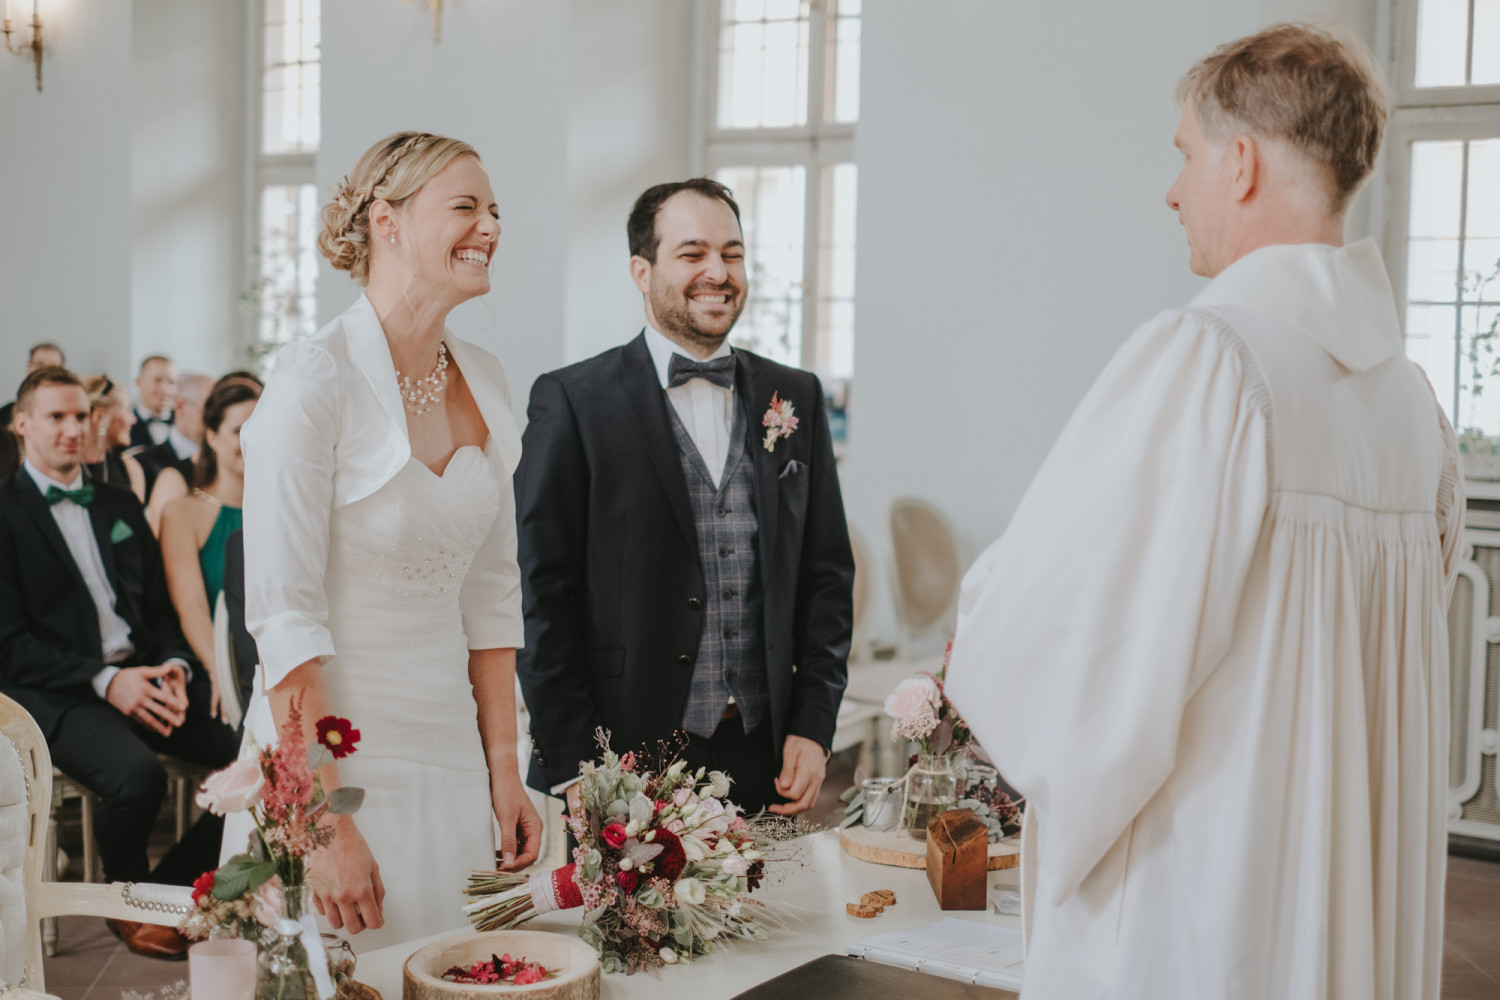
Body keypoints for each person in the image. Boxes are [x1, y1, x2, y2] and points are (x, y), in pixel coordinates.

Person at [943, 23, 1460, 1000]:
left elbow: (1050, 628)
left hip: (1213, 901)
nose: (1173, 191)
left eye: (1185, 155)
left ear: (1243, 162)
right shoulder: (1413, 407)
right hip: (1346, 903)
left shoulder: (1213, 361)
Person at [237, 131, 542, 950]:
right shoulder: (312, 380)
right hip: (337, 757)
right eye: (466, 206)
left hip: (450, 749)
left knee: (456, 967)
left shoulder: (487, 379)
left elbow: (493, 594)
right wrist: (323, 822)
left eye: (495, 210)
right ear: (387, 221)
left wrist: (504, 771)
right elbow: (283, 621)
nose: (491, 228)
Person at [516, 178, 854, 817]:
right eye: (692, 253)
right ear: (641, 271)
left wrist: (813, 724)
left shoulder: (795, 396)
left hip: (764, 753)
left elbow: (826, 577)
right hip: (621, 758)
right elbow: (540, 594)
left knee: (775, 890)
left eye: (732, 253)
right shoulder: (574, 401)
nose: (717, 273)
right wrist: (577, 765)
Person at [0, 367, 239, 960]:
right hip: (60, 692)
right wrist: (108, 681)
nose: (73, 428)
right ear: (21, 424)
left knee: (255, 756)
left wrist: (176, 665)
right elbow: (9, 645)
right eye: (56, 417)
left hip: (145, 675)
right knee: (138, 778)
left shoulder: (119, 502)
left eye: (82, 416)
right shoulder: (3, 511)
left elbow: (158, 609)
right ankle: (126, 901)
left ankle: (172, 892)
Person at [160, 380, 261, 723]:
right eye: (239, 430)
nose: (252, 439)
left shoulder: (282, 509)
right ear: (213, 437)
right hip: (220, 665)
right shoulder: (182, 512)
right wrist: (223, 673)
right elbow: (191, 608)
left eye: (260, 427)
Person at [141, 373, 212, 531]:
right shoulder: (144, 463)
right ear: (180, 406)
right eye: (208, 411)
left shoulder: (222, 465)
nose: (213, 421)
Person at [1, 343, 66, 480]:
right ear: (28, 368)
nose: (45, 371)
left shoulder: (70, 416)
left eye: (53, 367)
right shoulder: (4, 414)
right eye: (39, 365)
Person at [81, 375, 147, 502]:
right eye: (127, 410)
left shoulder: (131, 469)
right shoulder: (66, 466)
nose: (134, 419)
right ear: (99, 417)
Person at [129, 355, 178, 450]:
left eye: (171, 382)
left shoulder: (184, 425)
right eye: (157, 380)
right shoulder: (126, 424)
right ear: (139, 382)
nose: (164, 389)